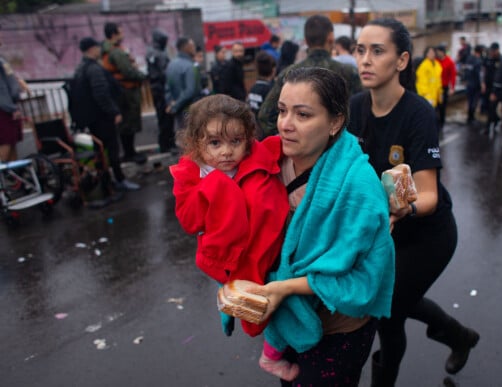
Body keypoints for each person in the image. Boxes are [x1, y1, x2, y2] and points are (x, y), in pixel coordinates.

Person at [348, 18, 480, 386]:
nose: (365, 60)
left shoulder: (418, 112)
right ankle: (459, 335)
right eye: (360, 50)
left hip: (428, 234)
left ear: (402, 60)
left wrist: (399, 210)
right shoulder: (356, 107)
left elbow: (429, 196)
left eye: (377, 51)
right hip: (386, 232)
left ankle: (385, 379)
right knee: (393, 300)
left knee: (387, 312)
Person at [248, 66, 395, 386]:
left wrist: (284, 287)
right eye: (282, 111)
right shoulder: (266, 164)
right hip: (286, 319)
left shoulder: (359, 189)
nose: (285, 124)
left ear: (335, 122)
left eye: (302, 115)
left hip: (339, 328)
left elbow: (364, 279)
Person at [169, 94, 297, 381]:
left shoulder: (257, 156)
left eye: (235, 142)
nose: (226, 152)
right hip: (230, 258)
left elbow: (284, 145)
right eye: (215, 143)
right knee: (265, 309)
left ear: (248, 139)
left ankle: (270, 349)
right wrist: (213, 186)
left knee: (275, 303)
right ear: (195, 143)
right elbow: (189, 220)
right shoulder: (193, 175)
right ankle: (271, 355)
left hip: (270, 249)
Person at [258, 14, 362, 137]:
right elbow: (362, 113)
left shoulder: (289, 73)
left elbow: (265, 116)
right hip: (341, 149)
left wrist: (288, 138)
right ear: (331, 37)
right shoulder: (349, 72)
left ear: (306, 40)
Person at [71, 37, 140, 191]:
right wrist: (114, 111)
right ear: (91, 49)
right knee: (111, 150)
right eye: (97, 48)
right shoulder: (93, 69)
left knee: (101, 152)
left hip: (93, 118)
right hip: (102, 118)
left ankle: (106, 181)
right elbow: (101, 93)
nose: (99, 50)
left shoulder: (81, 68)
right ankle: (119, 180)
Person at [101, 22, 148, 164]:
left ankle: (130, 151)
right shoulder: (116, 52)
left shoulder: (110, 50)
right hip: (125, 92)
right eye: (120, 32)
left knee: (127, 123)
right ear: (114, 34)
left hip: (122, 91)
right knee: (128, 122)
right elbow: (127, 71)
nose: (123, 35)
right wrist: (142, 76)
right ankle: (129, 152)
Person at [145, 28, 174, 153]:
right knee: (165, 117)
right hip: (160, 89)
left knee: (167, 117)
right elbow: (164, 72)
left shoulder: (156, 52)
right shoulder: (156, 53)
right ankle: (166, 145)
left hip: (160, 88)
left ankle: (168, 143)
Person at [165, 37, 202, 133]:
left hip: (178, 112)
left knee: (182, 138)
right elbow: (190, 91)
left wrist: (171, 104)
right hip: (190, 110)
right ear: (186, 47)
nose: (194, 48)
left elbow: (167, 88)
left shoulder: (171, 65)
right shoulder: (190, 66)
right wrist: (176, 105)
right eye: (192, 45)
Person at [0, 34, 23, 162]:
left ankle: (15, 179)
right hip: (4, 110)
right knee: (5, 144)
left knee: (12, 144)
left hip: (8, 108)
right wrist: (11, 108)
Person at [248, 51, 276, 139]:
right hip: (267, 133)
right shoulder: (271, 90)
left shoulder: (253, 88)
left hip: (256, 131)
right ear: (273, 70)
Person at [435, 44, 457, 129]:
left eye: (439, 52)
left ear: (443, 52)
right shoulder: (435, 60)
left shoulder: (449, 62)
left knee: (442, 106)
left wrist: (452, 88)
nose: (437, 53)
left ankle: (442, 122)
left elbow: (453, 75)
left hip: (444, 87)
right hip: (436, 87)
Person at [463, 44, 485, 125]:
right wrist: (482, 84)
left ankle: (469, 117)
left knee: (470, 101)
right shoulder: (478, 61)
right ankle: (471, 118)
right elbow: (480, 74)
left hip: (469, 83)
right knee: (474, 101)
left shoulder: (469, 58)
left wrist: (465, 80)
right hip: (475, 84)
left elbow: (465, 70)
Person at [482, 42, 501, 135]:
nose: (492, 53)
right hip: (487, 87)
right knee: (486, 106)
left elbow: (500, 77)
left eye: (493, 51)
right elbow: (484, 71)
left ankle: (488, 127)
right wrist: (483, 83)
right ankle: (497, 119)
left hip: (496, 89)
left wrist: (495, 92)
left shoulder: (501, 60)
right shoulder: (487, 59)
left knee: (492, 107)